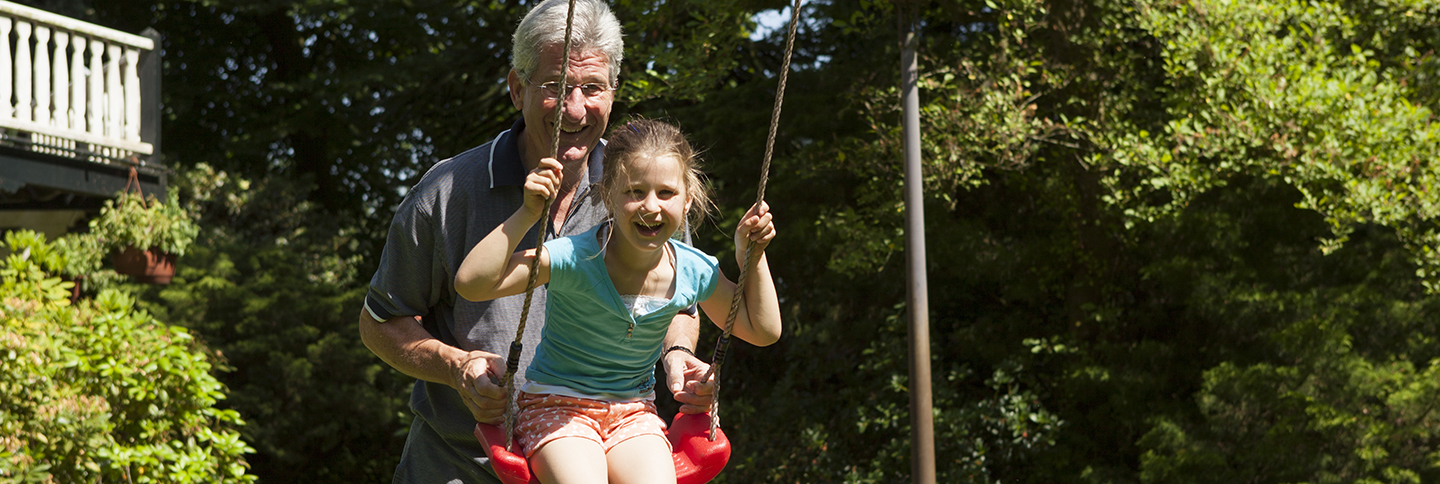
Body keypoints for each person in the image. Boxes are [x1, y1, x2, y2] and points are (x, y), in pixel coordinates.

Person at [358, 1, 715, 482]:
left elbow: (679, 305)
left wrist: (679, 355)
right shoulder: (446, 193)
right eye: (554, 86)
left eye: (592, 88)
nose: (575, 107)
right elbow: (380, 320)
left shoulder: (646, 189)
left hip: (605, 452)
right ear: (516, 88)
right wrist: (456, 365)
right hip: (463, 465)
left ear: (612, 93)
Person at [454, 118, 781, 484]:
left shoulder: (693, 271)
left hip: (633, 412)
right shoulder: (575, 258)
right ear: (608, 194)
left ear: (688, 199)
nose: (650, 206)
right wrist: (528, 212)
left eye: (666, 193)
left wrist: (752, 257)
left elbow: (762, 330)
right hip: (557, 405)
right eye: (635, 191)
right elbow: (472, 284)